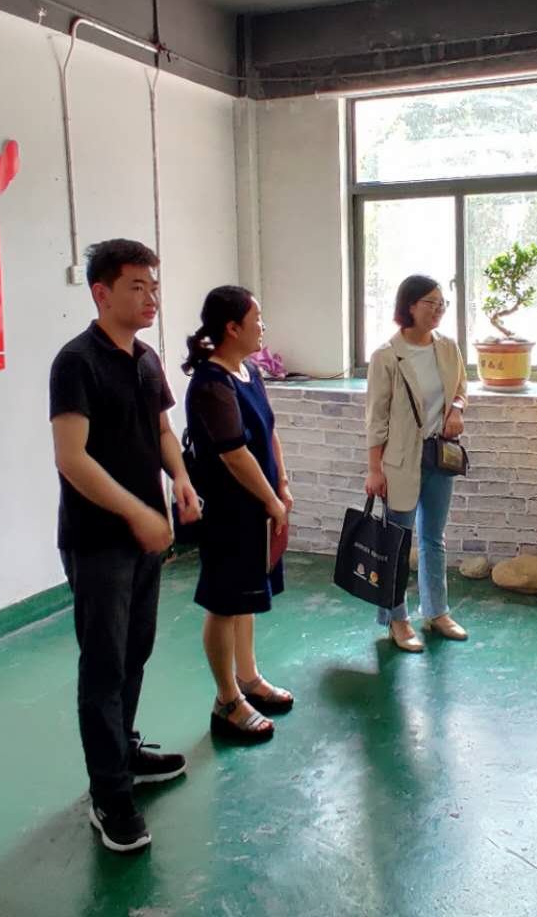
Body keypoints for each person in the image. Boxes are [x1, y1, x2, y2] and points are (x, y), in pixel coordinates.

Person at [49, 238, 201, 854]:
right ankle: (108, 794)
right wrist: (139, 512)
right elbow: (71, 458)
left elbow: (162, 429)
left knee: (135, 652)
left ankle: (125, 751)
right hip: (98, 542)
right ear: (101, 292)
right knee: (104, 666)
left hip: (146, 540)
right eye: (137, 286)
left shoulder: (145, 358)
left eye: (154, 287)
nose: (150, 297)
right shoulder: (76, 362)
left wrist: (180, 479)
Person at [184, 287, 294, 744]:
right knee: (224, 604)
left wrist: (282, 484)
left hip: (258, 507)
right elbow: (233, 453)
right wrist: (270, 500)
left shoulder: (249, 372)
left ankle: (248, 679)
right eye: (256, 318)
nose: (262, 326)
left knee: (247, 597)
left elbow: (269, 432)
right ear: (232, 328)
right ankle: (227, 699)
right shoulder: (211, 383)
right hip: (230, 511)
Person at [364, 275, 469, 651]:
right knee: (396, 541)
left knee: (433, 538)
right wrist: (374, 469)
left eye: (442, 303)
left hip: (440, 455)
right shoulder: (387, 356)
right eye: (431, 302)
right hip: (400, 459)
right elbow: (376, 418)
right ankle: (397, 619)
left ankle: (437, 612)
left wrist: (456, 409)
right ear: (409, 305)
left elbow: (461, 387)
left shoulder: (448, 347)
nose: (438, 309)